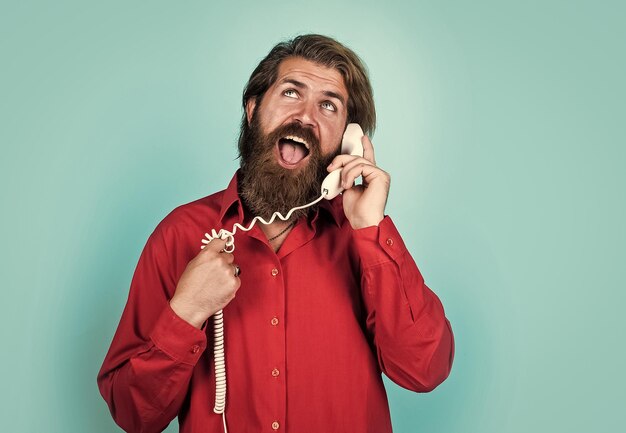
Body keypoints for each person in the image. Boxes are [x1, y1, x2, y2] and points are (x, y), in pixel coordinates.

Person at [98, 34, 454, 433]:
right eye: (290, 92)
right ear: (253, 110)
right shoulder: (181, 234)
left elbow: (424, 370)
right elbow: (133, 414)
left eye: (328, 105)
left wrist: (371, 229)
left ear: (347, 140)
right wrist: (187, 311)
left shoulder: (362, 239)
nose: (305, 117)